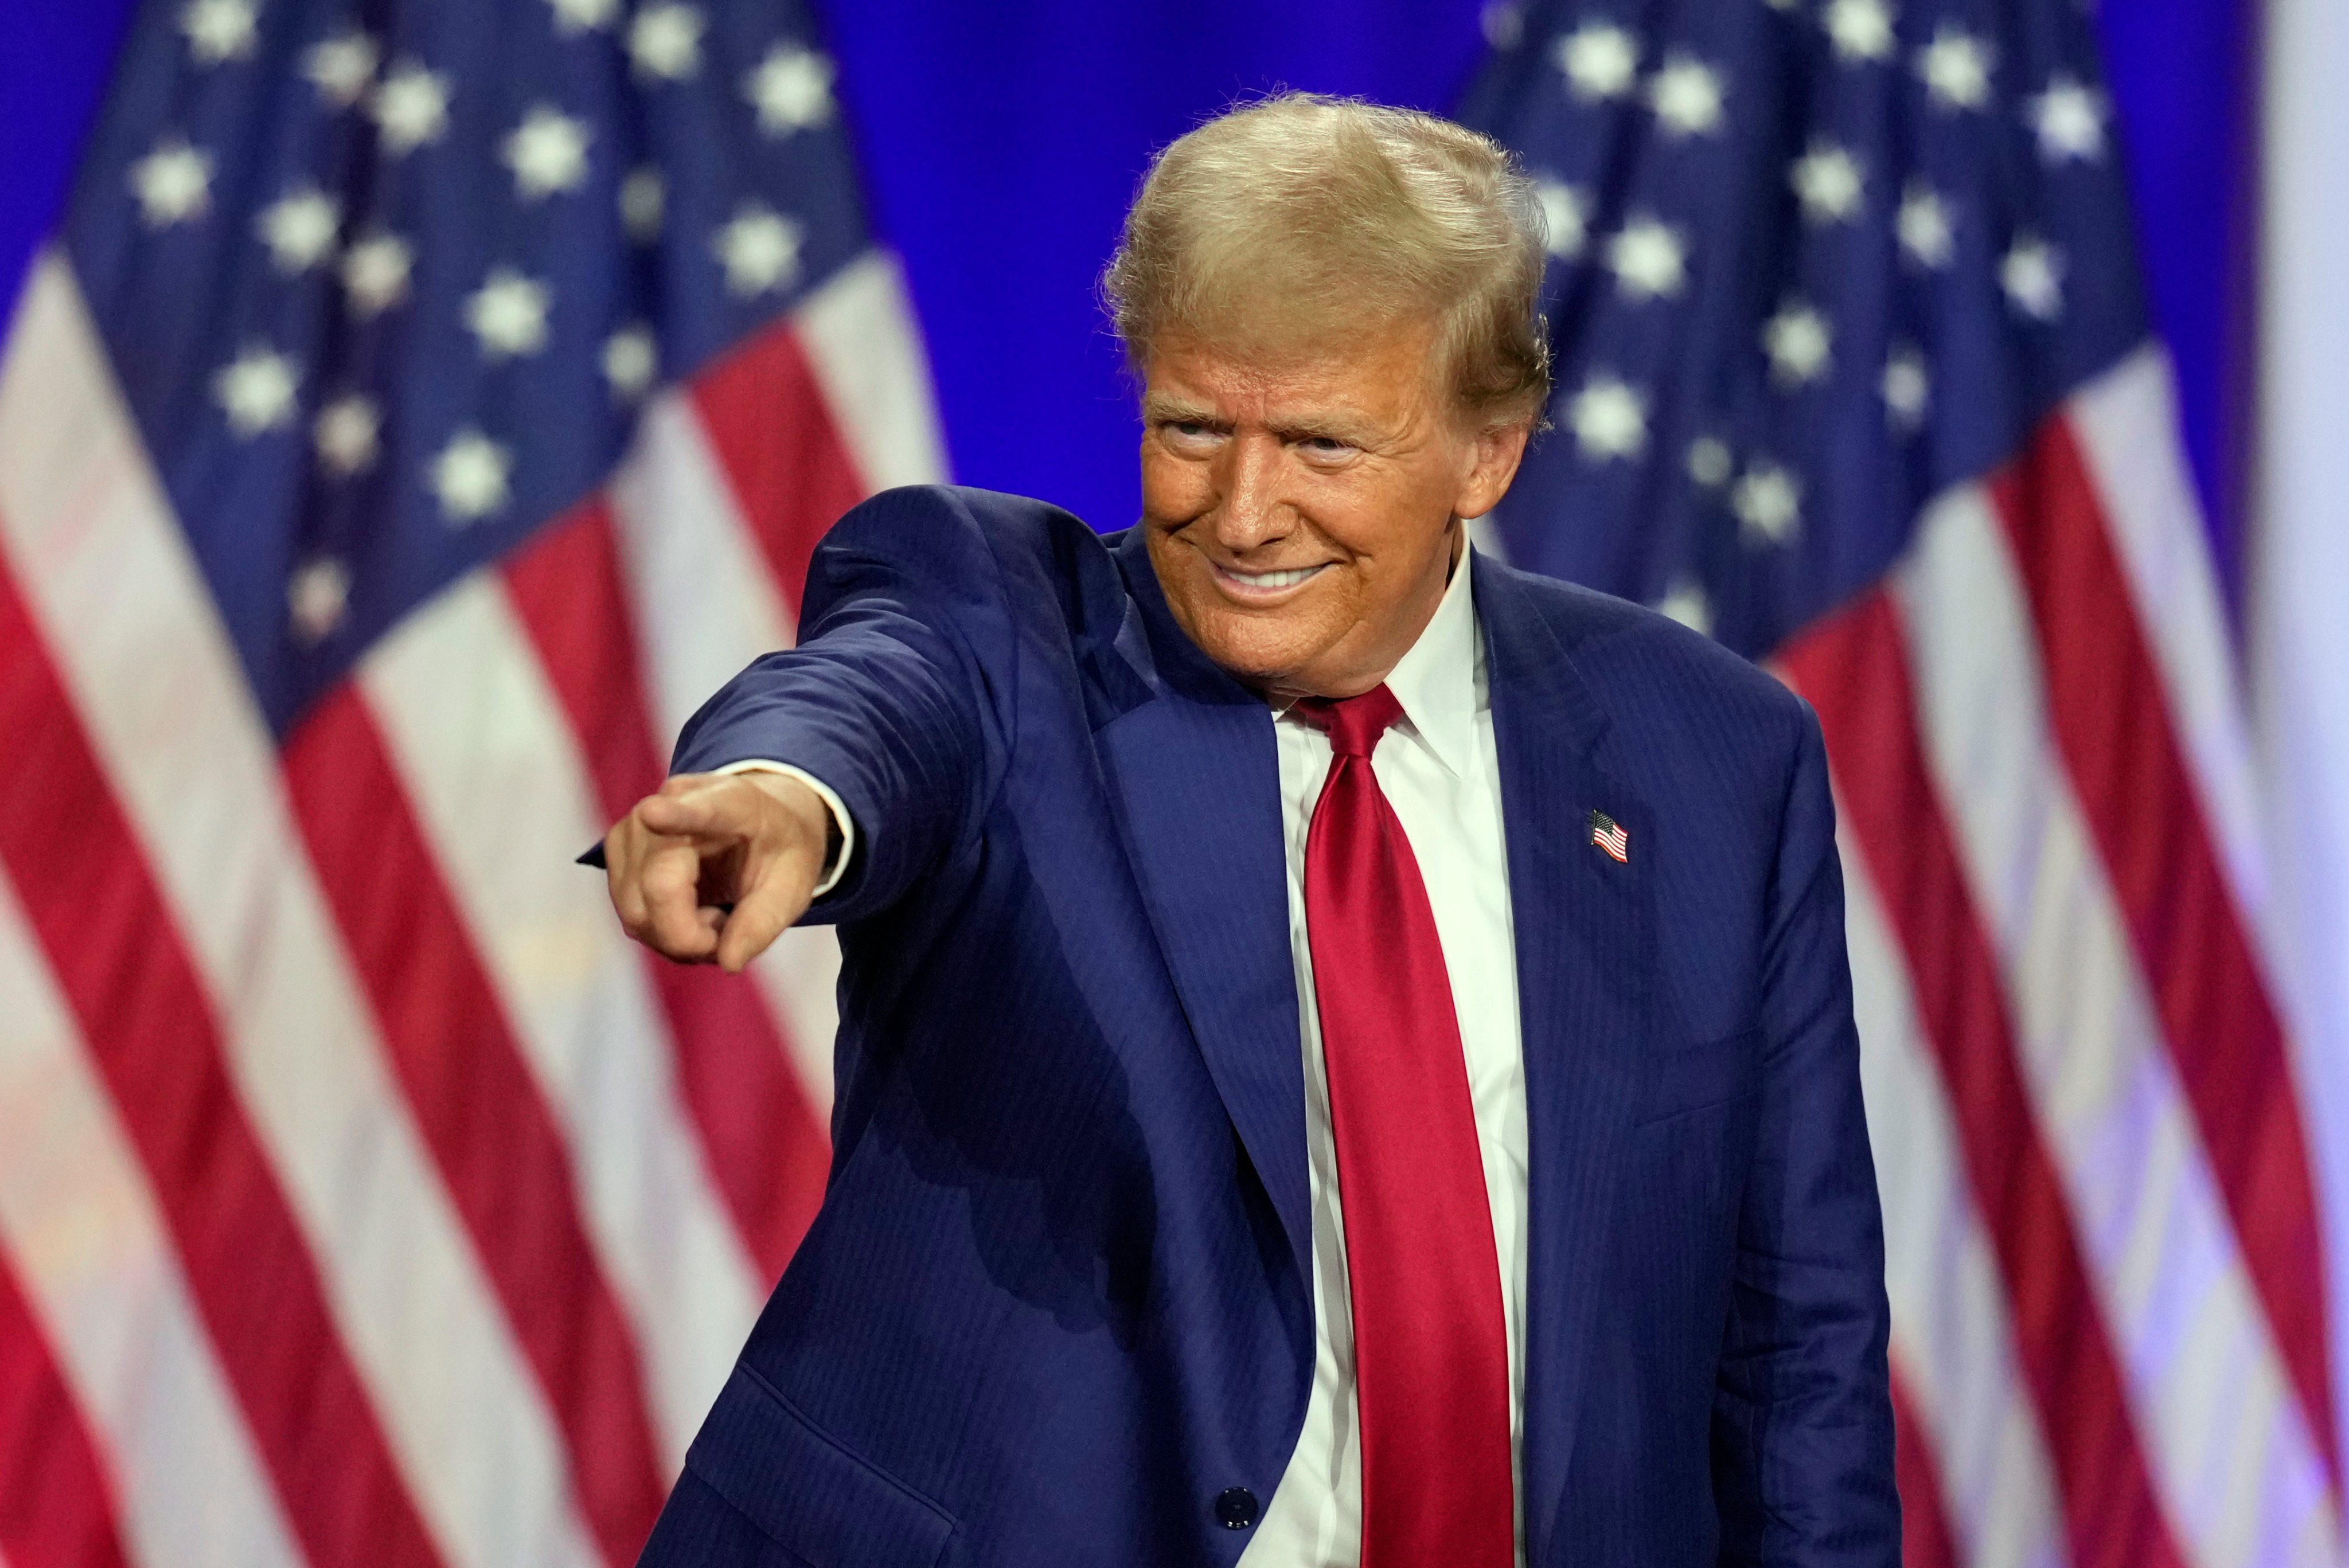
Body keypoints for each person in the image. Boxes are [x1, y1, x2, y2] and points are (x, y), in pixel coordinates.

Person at [600, 94, 1897, 1568]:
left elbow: (1793, 1349)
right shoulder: (1012, 634)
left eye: (1323, 445)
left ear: (1488, 453)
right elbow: (873, 699)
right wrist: (784, 800)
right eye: (1191, 429)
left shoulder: (1711, 753)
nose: (1241, 513)